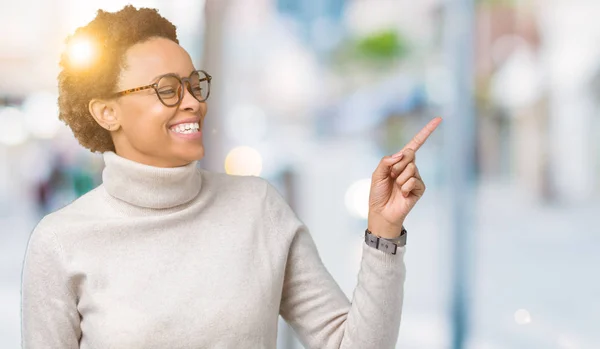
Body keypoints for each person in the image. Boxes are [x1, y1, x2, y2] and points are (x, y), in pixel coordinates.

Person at [20, 5, 442, 349]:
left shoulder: (258, 208)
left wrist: (384, 233)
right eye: (168, 89)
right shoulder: (61, 242)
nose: (192, 103)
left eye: (194, 85)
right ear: (106, 112)